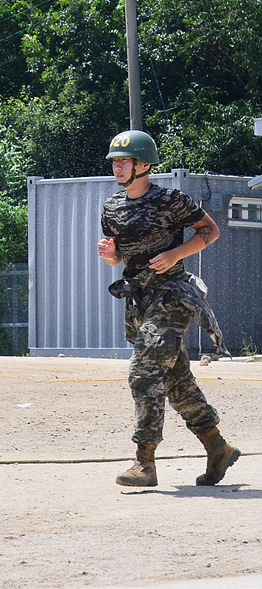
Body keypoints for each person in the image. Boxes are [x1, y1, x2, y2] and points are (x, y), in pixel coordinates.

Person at [97, 130, 239, 488]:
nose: (118, 167)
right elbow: (119, 260)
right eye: (115, 161)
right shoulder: (112, 206)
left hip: (173, 296)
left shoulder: (170, 200)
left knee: (143, 372)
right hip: (140, 300)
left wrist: (176, 254)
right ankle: (217, 447)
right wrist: (112, 256)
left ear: (144, 165)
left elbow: (210, 230)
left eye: (124, 161)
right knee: (176, 382)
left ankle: (144, 462)